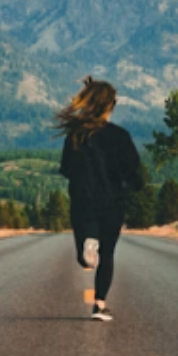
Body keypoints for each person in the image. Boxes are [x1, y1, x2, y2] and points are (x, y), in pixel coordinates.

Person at [57, 77, 144, 322]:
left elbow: (66, 169)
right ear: (110, 105)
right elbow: (133, 172)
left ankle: (88, 243)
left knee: (85, 253)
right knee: (108, 255)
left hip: (83, 200)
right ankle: (99, 305)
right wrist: (135, 186)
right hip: (113, 202)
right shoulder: (121, 136)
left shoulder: (75, 136)